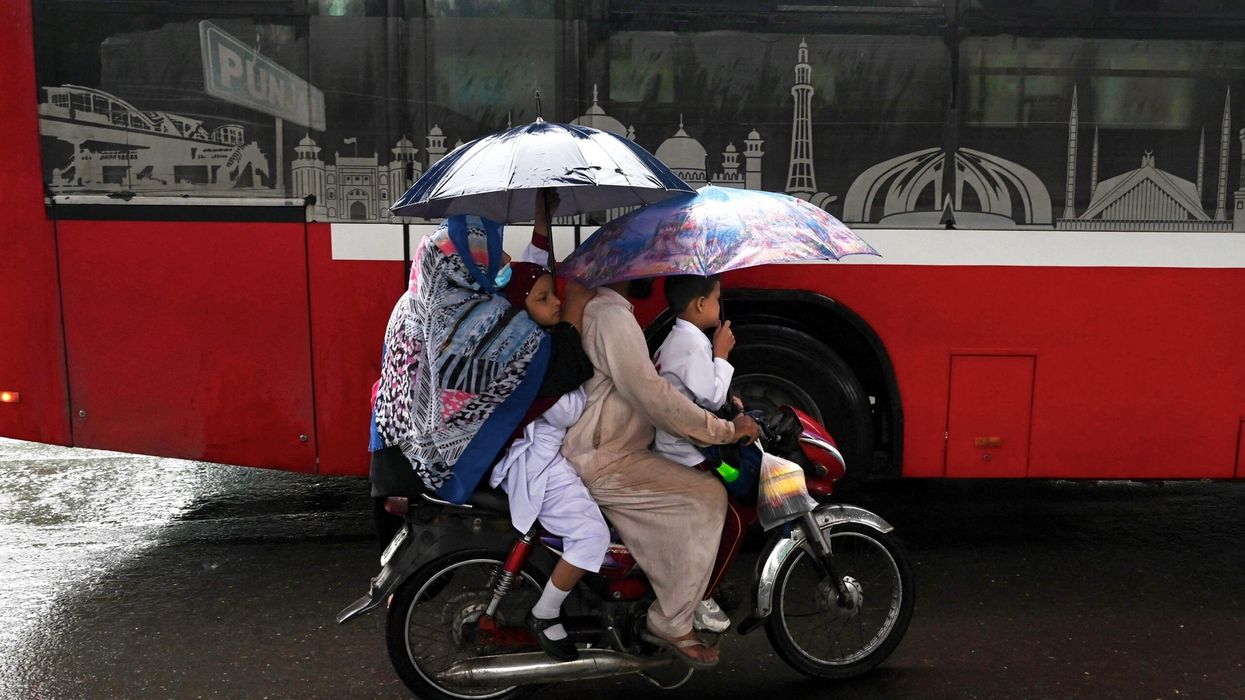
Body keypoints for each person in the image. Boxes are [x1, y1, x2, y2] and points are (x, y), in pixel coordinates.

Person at [562, 278, 761, 669]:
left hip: (613, 445)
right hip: (609, 457)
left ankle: (662, 587)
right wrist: (725, 430)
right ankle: (670, 620)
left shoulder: (614, 311)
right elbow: (652, 394)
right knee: (707, 496)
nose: (653, 274)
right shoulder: (610, 316)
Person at [487, 197, 607, 663]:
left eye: (554, 294)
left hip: (548, 451)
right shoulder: (532, 350)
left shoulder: (525, 323)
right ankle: (546, 611)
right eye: (544, 299)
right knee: (591, 536)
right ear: (521, 308)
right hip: (534, 461)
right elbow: (572, 366)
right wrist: (575, 307)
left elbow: (537, 266)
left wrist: (543, 218)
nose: (555, 300)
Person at [650, 274, 738, 633]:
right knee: (726, 517)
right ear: (701, 304)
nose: (719, 307)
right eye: (717, 299)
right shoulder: (691, 345)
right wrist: (722, 353)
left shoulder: (679, 340)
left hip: (677, 446)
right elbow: (710, 398)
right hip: (685, 455)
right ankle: (698, 596)